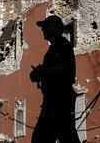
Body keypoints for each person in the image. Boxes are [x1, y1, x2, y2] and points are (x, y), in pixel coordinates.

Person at [30, 15, 80, 143]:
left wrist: (42, 71)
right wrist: (39, 74)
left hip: (59, 97)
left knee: (41, 138)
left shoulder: (63, 45)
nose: (42, 30)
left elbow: (64, 68)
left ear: (55, 28)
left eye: (45, 27)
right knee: (65, 136)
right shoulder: (53, 48)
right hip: (54, 98)